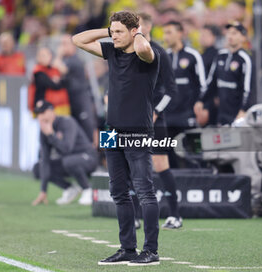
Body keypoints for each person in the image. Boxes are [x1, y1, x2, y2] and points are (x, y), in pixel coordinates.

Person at [73, 11, 160, 266]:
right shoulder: (112, 51)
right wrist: (108, 31)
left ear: (135, 31)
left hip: (138, 131)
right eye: (114, 31)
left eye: (120, 32)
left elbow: (143, 46)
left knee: (144, 191)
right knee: (119, 192)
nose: (115, 36)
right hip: (112, 131)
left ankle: (151, 251)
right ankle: (127, 249)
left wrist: (138, 32)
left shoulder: (149, 54)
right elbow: (77, 40)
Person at [134, 12, 181, 229]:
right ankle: (133, 216)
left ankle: (175, 215)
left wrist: (156, 112)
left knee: (161, 165)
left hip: (155, 120)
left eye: (136, 25)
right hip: (131, 118)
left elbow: (171, 89)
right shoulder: (127, 52)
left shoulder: (160, 52)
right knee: (130, 163)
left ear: (148, 27)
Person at [31, 100, 97, 206]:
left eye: (43, 113)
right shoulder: (44, 130)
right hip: (69, 161)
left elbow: (67, 149)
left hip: (88, 158)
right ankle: (70, 189)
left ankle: (88, 190)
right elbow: (45, 159)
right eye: (38, 114)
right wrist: (43, 190)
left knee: (69, 161)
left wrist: (51, 135)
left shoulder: (66, 122)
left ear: (51, 112)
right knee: (38, 167)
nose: (40, 117)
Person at [163, 20, 207, 167]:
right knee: (168, 157)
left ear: (180, 33)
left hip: (188, 114)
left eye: (169, 32)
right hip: (168, 115)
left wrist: (199, 103)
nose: (165, 37)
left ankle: (200, 183)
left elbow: (202, 84)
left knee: (195, 155)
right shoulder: (164, 57)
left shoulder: (193, 55)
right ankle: (173, 189)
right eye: (164, 33)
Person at [195, 21, 253, 125]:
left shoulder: (244, 59)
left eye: (234, 33)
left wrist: (243, 110)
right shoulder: (220, 55)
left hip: (237, 113)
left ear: (243, 37)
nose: (230, 36)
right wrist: (201, 100)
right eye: (229, 33)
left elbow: (247, 88)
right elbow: (211, 82)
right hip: (221, 112)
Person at [53, 34, 97, 142]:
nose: (62, 47)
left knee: (88, 133)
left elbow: (57, 66)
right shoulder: (67, 60)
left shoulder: (74, 60)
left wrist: (58, 55)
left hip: (81, 102)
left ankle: (96, 156)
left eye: (65, 44)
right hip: (72, 103)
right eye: (61, 44)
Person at [28, 47, 71, 116]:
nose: (43, 58)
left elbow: (66, 80)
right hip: (42, 107)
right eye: (41, 56)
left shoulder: (51, 69)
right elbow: (54, 85)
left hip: (56, 106)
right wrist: (59, 81)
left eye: (45, 55)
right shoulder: (38, 72)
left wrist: (59, 79)